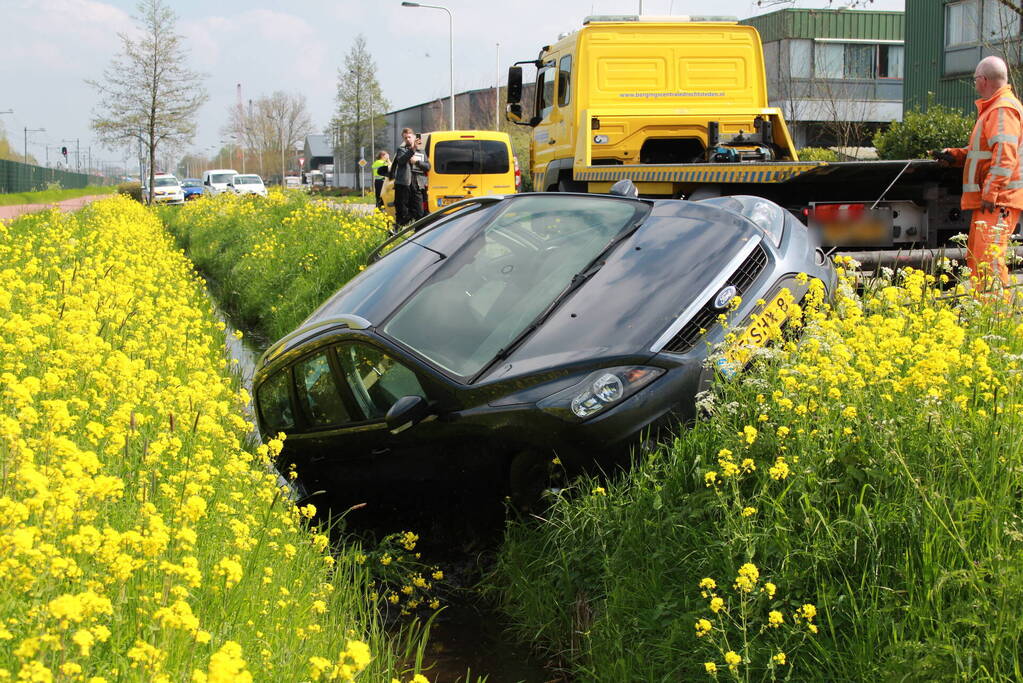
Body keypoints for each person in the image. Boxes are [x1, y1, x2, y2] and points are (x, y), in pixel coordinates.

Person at [938, 56, 1023, 297]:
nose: (975, 84)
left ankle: (997, 317)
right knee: (978, 258)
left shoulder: (1001, 109)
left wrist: (991, 192)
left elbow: (1005, 154)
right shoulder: (996, 109)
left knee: (989, 260)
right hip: (995, 200)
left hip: (997, 200)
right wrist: (955, 155)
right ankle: (985, 312)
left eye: (975, 79)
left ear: (983, 80)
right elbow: (986, 153)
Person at [390, 128, 431, 227]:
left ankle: (418, 233)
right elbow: (401, 161)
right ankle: (397, 231)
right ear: (404, 139)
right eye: (405, 138)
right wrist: (412, 149)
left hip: (417, 185)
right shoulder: (401, 150)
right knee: (402, 212)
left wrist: (417, 162)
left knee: (419, 212)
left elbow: (428, 167)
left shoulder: (421, 151)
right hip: (403, 185)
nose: (408, 139)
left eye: (409, 137)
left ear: (414, 137)